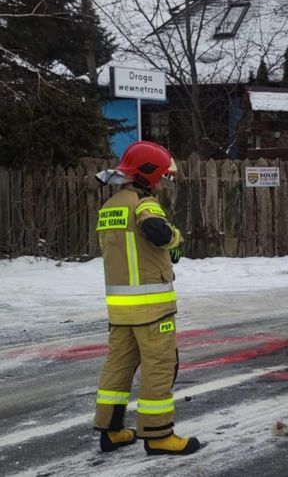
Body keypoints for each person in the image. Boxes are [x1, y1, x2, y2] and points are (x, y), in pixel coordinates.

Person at [93, 141, 201, 456]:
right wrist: (176, 239)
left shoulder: (110, 205)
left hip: (121, 309)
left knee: (118, 367)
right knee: (160, 366)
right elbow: (159, 232)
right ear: (147, 175)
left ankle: (111, 431)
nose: (163, 183)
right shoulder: (144, 203)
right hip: (151, 308)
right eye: (161, 176)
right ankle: (158, 435)